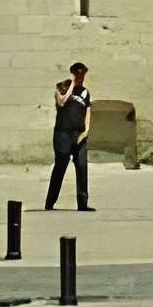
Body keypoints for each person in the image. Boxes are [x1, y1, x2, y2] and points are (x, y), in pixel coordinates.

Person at [46, 60, 93, 210]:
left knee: (82, 166)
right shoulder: (62, 87)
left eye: (82, 74)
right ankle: (50, 202)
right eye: (78, 74)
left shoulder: (85, 92)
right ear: (72, 73)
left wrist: (86, 132)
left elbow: (88, 112)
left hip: (78, 134)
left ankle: (83, 204)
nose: (81, 77)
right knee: (61, 166)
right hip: (62, 134)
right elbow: (61, 102)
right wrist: (72, 84)